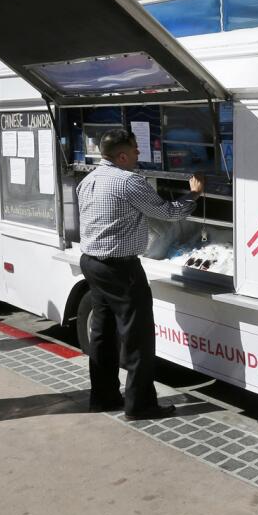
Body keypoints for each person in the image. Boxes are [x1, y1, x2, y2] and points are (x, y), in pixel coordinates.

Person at [78, 128, 203, 420]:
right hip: (121, 269)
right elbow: (169, 213)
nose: (138, 155)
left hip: (92, 263)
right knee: (138, 337)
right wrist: (194, 194)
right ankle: (140, 405)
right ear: (122, 155)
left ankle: (103, 396)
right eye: (135, 150)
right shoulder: (130, 181)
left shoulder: (89, 179)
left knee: (103, 334)